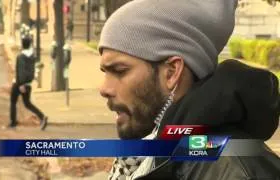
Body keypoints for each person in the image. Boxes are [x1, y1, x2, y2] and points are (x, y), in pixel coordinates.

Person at [98, 0, 280, 179]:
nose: (104, 89)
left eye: (119, 71)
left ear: (172, 72)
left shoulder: (234, 171)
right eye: (105, 72)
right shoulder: (145, 158)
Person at [5, 37, 48, 130]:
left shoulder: (20, 57)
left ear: (22, 44)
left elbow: (21, 71)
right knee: (27, 103)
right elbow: (32, 70)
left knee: (13, 101)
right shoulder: (32, 57)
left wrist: (21, 84)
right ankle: (42, 116)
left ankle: (13, 122)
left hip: (19, 83)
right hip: (28, 83)